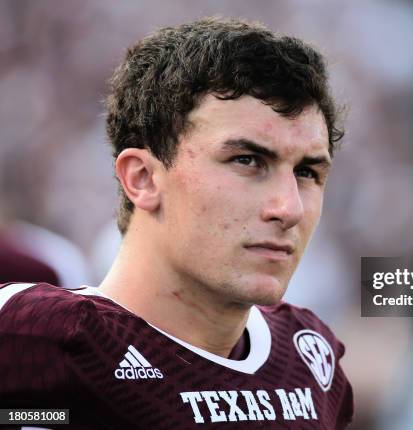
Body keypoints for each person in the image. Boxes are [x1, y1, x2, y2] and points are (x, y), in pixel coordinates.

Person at [0, 17, 353, 429]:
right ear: (143, 178)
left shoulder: (309, 358)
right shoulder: (36, 337)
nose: (288, 208)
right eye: (247, 161)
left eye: (307, 172)